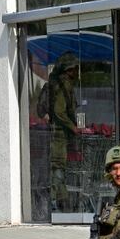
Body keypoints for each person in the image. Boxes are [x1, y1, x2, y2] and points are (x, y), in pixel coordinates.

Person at [47, 53, 80, 212]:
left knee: (60, 168)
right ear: (69, 70)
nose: (77, 72)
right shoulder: (63, 86)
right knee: (58, 168)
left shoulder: (64, 85)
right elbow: (59, 111)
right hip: (59, 135)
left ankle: (61, 200)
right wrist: (72, 127)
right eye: (75, 69)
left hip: (62, 135)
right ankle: (58, 202)